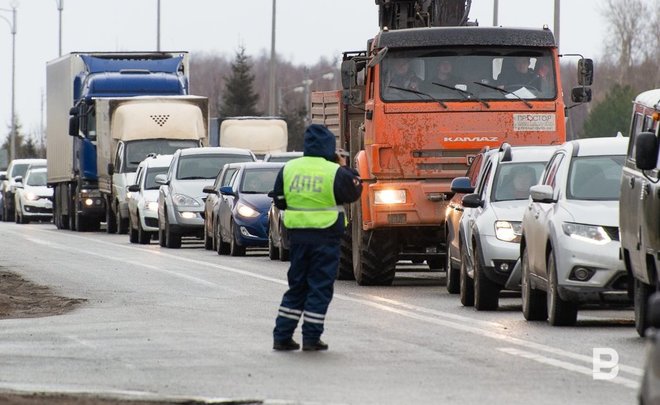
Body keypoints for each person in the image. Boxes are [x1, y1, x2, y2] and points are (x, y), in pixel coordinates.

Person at [270, 124, 363, 351]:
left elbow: (279, 200)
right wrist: (343, 165)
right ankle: (311, 338)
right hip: (325, 237)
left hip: (298, 238)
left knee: (297, 286)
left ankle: (282, 336)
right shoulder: (334, 172)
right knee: (319, 287)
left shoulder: (289, 168)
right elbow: (354, 191)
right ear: (330, 148)